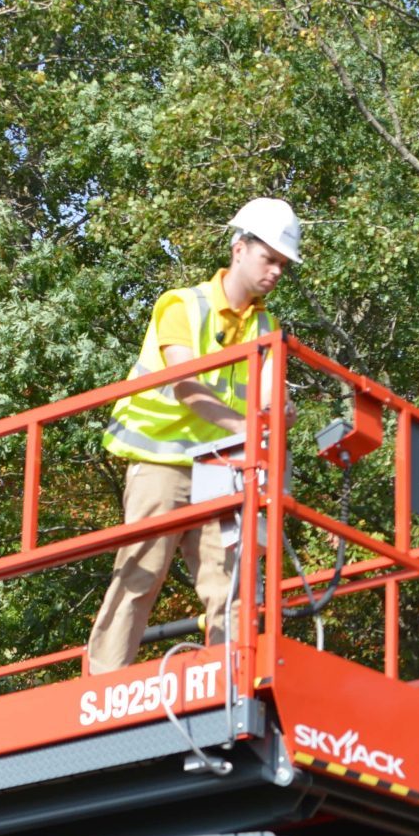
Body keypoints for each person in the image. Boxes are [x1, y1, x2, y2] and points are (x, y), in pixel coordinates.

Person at [85, 198, 302, 675]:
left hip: (220, 468)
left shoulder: (267, 327)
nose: (276, 272)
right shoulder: (182, 305)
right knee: (141, 571)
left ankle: (231, 680)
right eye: (270, 258)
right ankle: (101, 685)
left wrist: (275, 418)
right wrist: (251, 429)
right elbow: (187, 386)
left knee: (231, 584)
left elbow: (270, 404)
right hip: (161, 459)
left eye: (283, 264)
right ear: (239, 248)